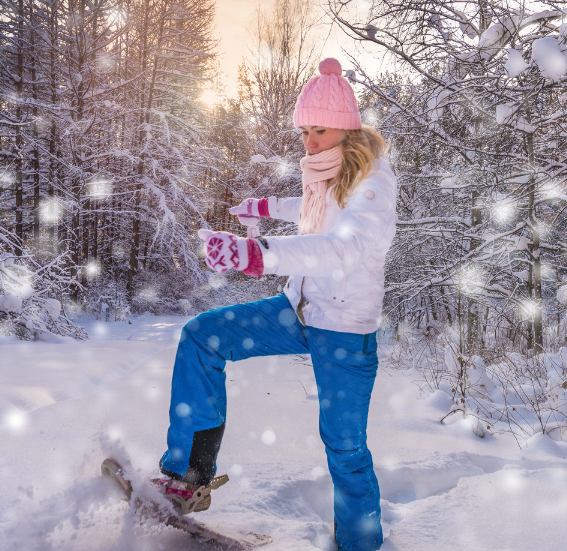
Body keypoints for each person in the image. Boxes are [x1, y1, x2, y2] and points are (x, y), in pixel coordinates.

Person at [155, 58, 395, 551]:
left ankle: (360, 543)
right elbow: (312, 214)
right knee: (203, 337)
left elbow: (343, 247)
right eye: (304, 131)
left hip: (345, 331)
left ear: (346, 129)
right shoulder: (323, 171)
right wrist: (267, 208)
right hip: (297, 311)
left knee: (345, 449)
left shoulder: (373, 183)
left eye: (318, 130)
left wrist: (258, 253)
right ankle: (188, 476)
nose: (308, 142)